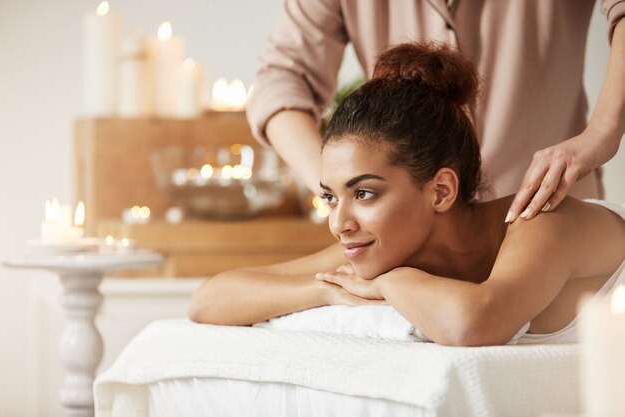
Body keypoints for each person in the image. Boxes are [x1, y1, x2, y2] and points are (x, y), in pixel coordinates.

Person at [189, 42, 625, 346]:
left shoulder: (541, 221)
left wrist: (384, 282)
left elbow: (475, 323)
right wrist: (325, 291)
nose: (340, 224)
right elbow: (209, 300)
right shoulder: (387, 246)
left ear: (440, 191)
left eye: (363, 193)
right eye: (330, 197)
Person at [246, 0, 625, 224]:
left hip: (548, 216)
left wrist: (602, 134)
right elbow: (281, 78)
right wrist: (338, 189)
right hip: (409, 241)